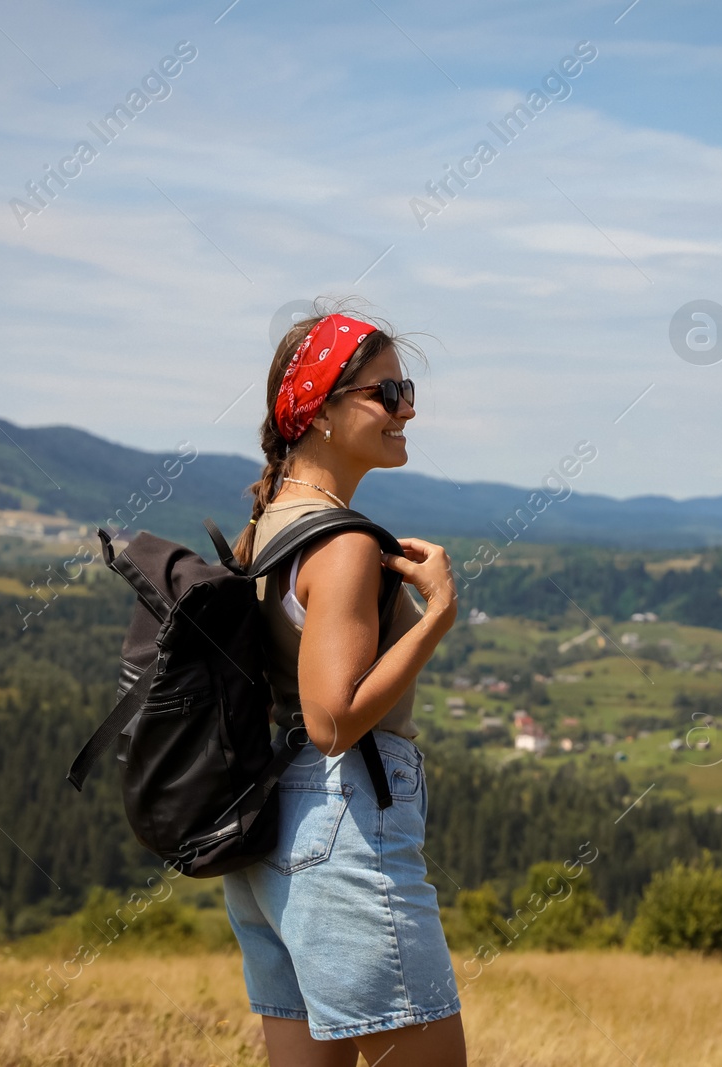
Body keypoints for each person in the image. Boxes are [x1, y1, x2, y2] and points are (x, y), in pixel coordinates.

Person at [222, 301, 466, 1066]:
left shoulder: (262, 528)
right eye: (387, 393)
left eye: (407, 391)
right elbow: (333, 719)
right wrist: (438, 617)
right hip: (344, 820)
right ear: (323, 410)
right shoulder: (348, 544)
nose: (408, 409)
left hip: (268, 831)